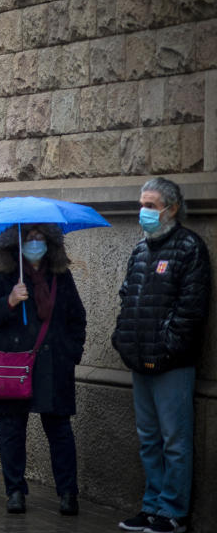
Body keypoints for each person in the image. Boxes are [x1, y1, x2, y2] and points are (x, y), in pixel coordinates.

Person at [114, 178, 211, 533]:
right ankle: (152, 505)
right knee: (149, 438)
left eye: (151, 206)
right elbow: (127, 298)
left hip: (172, 364)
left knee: (174, 440)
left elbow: (190, 311)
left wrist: (168, 347)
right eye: (142, 204)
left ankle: (173, 511)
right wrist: (123, 340)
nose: (144, 212)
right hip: (140, 359)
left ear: (171, 208)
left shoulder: (189, 248)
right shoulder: (141, 250)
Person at [0, 223, 86, 516]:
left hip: (54, 365)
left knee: (59, 430)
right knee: (11, 430)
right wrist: (9, 301)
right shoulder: (2, 275)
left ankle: (68, 493)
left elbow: (77, 317)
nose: (35, 243)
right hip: (14, 363)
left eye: (40, 238)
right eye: (29, 238)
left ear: (50, 242)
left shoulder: (60, 276)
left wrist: (71, 353)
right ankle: (15, 491)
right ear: (16, 243)